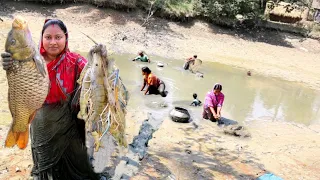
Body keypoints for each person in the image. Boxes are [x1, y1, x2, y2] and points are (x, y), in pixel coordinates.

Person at [1, 19, 104, 179]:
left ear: (66, 37)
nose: (53, 42)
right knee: (44, 161)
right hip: (41, 120)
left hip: (69, 123)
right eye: (48, 37)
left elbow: (93, 77)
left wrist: (100, 61)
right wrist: (10, 64)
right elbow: (18, 85)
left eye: (58, 37)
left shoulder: (75, 61)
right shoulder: (30, 60)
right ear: (41, 39)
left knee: (76, 158)